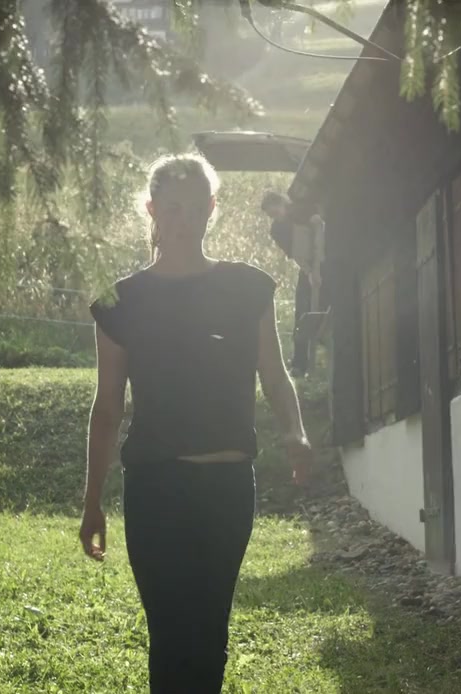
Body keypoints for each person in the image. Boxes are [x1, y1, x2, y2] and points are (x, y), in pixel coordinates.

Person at [79, 154, 313, 692]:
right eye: (172, 209)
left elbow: (275, 375)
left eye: (193, 208)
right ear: (152, 210)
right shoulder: (121, 302)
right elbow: (107, 407)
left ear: (212, 208)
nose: (183, 221)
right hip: (154, 488)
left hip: (226, 489)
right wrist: (92, 501)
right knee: (169, 636)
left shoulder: (248, 288)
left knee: (209, 636)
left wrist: (295, 432)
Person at [261, 191, 328, 376]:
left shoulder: (302, 209)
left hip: (327, 260)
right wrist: (310, 273)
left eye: (275, 211)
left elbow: (320, 228)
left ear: (282, 203)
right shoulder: (277, 230)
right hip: (307, 267)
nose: (275, 217)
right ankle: (299, 364)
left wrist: (319, 267)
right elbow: (296, 253)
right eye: (271, 215)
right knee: (302, 312)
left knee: (329, 306)